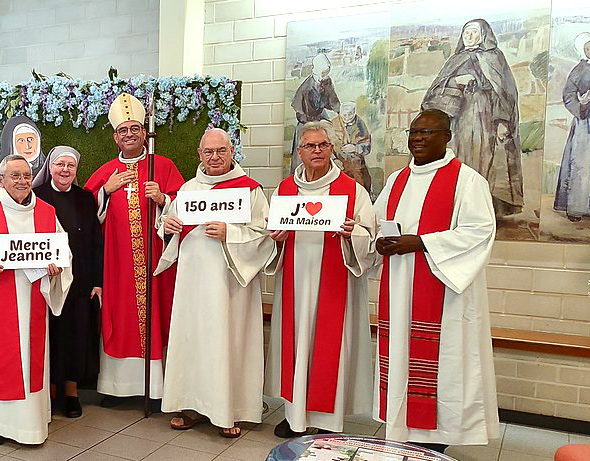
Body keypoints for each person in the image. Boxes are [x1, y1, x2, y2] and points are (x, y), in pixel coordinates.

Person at [372, 109, 499, 452]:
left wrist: (422, 242)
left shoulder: (467, 181)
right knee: (401, 357)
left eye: (427, 132)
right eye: (414, 132)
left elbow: (479, 232)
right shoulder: (397, 180)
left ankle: (436, 441)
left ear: (447, 136)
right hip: (399, 289)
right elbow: (376, 223)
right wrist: (378, 242)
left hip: (444, 295)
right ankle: (401, 431)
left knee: (443, 364)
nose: (418, 138)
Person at [157, 128, 273, 438]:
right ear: (200, 155)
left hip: (230, 285)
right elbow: (168, 226)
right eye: (208, 152)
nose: (215, 157)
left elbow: (264, 235)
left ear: (232, 151)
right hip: (193, 284)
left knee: (227, 342)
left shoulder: (249, 190)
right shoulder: (189, 189)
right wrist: (167, 226)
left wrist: (230, 233)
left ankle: (228, 411)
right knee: (193, 340)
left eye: (221, 150)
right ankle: (190, 406)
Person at [264, 121, 377, 438]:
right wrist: (277, 238)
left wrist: (352, 233)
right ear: (299, 152)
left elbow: (370, 237)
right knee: (296, 345)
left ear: (332, 149)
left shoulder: (353, 190)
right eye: (310, 146)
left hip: (335, 284)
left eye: (323, 145)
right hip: (295, 284)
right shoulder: (285, 190)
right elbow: (270, 234)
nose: (317, 151)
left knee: (329, 349)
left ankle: (326, 419)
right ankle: (295, 415)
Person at [0, 154, 73, 446]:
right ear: (1, 179)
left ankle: (28, 425)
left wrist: (57, 268)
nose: (22, 181)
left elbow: (62, 252)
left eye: (26, 176)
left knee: (29, 361)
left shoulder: (46, 212)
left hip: (32, 301)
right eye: (15, 176)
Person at [83, 92, 185, 408]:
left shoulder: (162, 166)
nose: (129, 134)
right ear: (115, 137)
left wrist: (163, 199)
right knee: (119, 319)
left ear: (144, 133)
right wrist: (105, 191)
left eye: (134, 129)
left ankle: (153, 389)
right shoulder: (106, 171)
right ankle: (117, 387)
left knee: (155, 316)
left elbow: (185, 208)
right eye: (123, 130)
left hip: (153, 263)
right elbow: (83, 215)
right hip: (117, 265)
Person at [422, 18, 522, 217]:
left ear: (483, 35)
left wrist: (502, 121)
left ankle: (478, 211)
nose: (469, 36)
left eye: (474, 32)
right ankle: (452, 208)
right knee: (455, 160)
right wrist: (455, 81)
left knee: (480, 161)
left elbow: (504, 92)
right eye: (466, 32)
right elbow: (435, 91)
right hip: (455, 121)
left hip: (483, 118)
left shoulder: (494, 58)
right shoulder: (455, 59)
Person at [33, 146, 103, 419]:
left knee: (76, 334)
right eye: (60, 164)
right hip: (48, 278)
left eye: (70, 166)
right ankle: (50, 393)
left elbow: (96, 241)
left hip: (80, 278)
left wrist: (97, 280)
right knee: (52, 333)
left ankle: (72, 393)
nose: (65, 170)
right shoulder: (36, 196)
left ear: (76, 170)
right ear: (50, 167)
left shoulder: (85, 198)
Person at [554, 32, 590, 221]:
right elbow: (568, 95)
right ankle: (577, 208)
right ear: (581, 50)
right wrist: (582, 102)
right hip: (585, 122)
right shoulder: (578, 70)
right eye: (587, 48)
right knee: (581, 163)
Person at [291, 53, 340, 172]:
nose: (325, 74)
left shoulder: (327, 81)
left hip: (321, 117)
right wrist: (313, 124)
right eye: (323, 72)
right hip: (306, 121)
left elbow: (333, 101)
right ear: (316, 69)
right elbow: (300, 111)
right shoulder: (306, 87)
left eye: (327, 71)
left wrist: (340, 111)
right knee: (306, 151)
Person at [331, 101, 373, 194]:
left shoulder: (360, 124)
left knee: (361, 191)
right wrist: (334, 160)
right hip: (338, 166)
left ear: (354, 113)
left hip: (357, 166)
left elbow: (367, 146)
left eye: (350, 114)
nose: (347, 117)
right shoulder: (332, 124)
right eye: (344, 115)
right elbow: (326, 145)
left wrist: (356, 148)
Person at [0, 115, 49, 187]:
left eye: (30, 139)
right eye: (21, 141)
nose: (27, 146)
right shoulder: (0, 175)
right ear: (11, 144)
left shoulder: (49, 172)